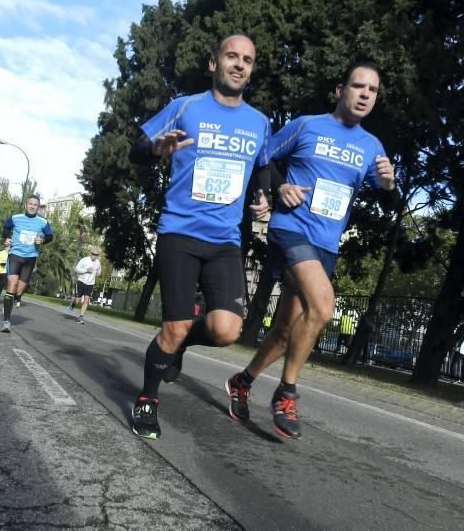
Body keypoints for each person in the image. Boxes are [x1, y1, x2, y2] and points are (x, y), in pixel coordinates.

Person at [225, 61, 397, 439]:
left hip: (326, 244)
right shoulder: (306, 125)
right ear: (340, 91)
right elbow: (262, 157)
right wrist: (278, 187)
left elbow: (389, 199)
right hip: (290, 231)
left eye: (373, 90)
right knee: (323, 306)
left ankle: (242, 380)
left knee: (288, 331)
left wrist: (388, 185)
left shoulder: (372, 146)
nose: (365, 94)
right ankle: (286, 394)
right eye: (358, 86)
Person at [127, 33, 272, 440]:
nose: (240, 64)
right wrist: (154, 150)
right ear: (214, 63)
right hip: (179, 232)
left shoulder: (260, 122)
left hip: (225, 239)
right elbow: (137, 149)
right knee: (171, 328)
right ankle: (147, 399)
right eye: (232, 56)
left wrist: (263, 195)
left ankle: (182, 344)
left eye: (247, 59)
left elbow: (263, 165)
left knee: (228, 331)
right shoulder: (185, 107)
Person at [0, 195, 53, 332]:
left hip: (30, 259)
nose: (32, 206)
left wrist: (42, 240)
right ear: (26, 205)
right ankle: (6, 321)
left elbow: (50, 236)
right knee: (11, 285)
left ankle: (15, 298)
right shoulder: (15, 218)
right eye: (30, 204)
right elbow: (6, 228)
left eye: (35, 205)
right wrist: (6, 238)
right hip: (15, 256)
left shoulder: (42, 222)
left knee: (19, 290)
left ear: (38, 207)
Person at [68, 248, 102, 324]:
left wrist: (97, 273)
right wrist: (86, 270)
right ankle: (73, 303)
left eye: (96, 255)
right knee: (78, 301)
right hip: (81, 282)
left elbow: (99, 272)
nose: (95, 256)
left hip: (90, 284)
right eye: (93, 254)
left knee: (86, 300)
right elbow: (76, 269)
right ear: (90, 254)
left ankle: (80, 317)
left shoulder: (98, 263)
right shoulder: (84, 260)